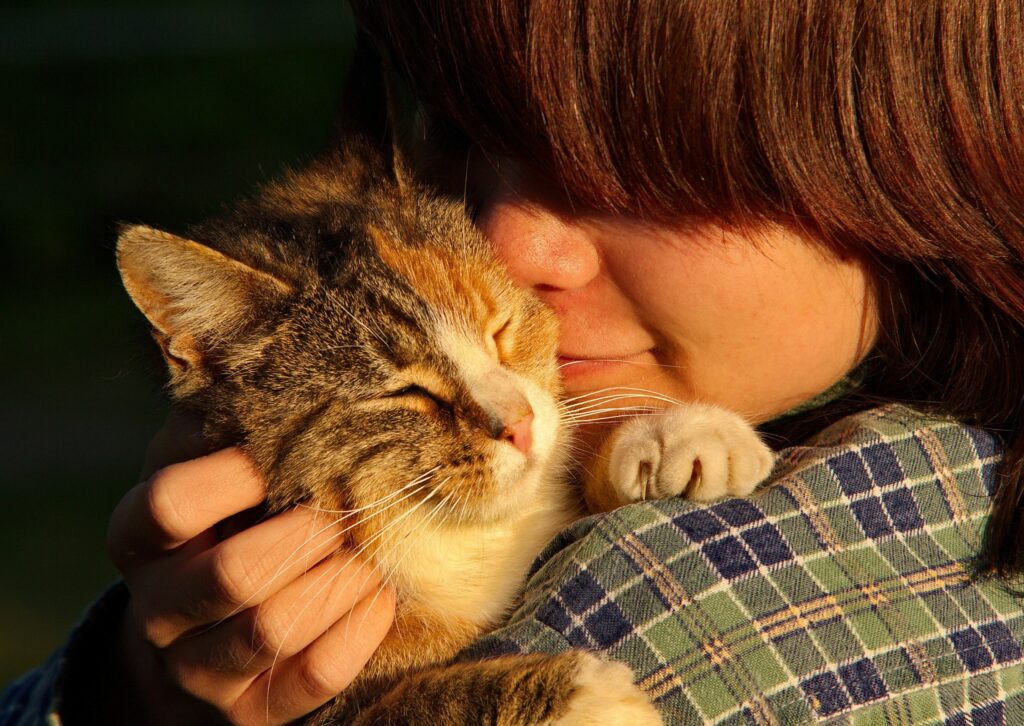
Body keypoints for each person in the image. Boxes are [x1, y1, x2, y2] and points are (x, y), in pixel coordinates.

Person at [5, 1, 1023, 723]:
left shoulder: (672, 621)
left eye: (627, 165)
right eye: (461, 133)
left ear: (913, 139)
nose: (506, 245)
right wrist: (129, 689)